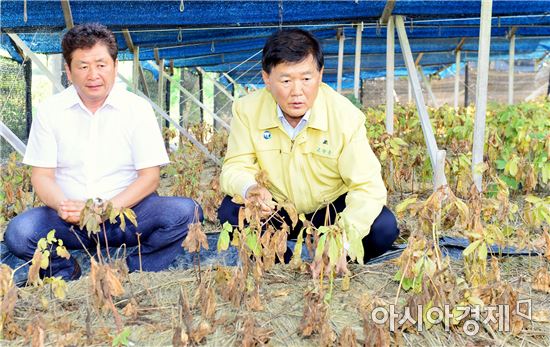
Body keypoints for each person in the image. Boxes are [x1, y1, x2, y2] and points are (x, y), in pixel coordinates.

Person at [5, 23, 202, 281]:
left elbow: (149, 178)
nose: (93, 75)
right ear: (68, 70)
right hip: (69, 222)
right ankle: (66, 269)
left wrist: (107, 209)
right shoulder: (51, 111)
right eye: (83, 66)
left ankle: (133, 266)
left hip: (127, 215)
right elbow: (42, 176)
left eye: (101, 64)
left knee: (188, 213)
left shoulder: (136, 109)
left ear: (115, 67)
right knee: (19, 232)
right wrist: (63, 207)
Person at [218, 29, 398, 262]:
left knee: (383, 227)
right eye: (285, 80)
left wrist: (341, 241)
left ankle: (329, 259)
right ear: (267, 79)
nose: (297, 92)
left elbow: (367, 187)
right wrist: (250, 188)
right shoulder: (247, 111)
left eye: (306, 79)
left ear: (320, 75)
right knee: (231, 212)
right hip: (275, 209)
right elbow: (234, 166)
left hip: (330, 212)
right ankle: (282, 259)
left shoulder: (345, 116)